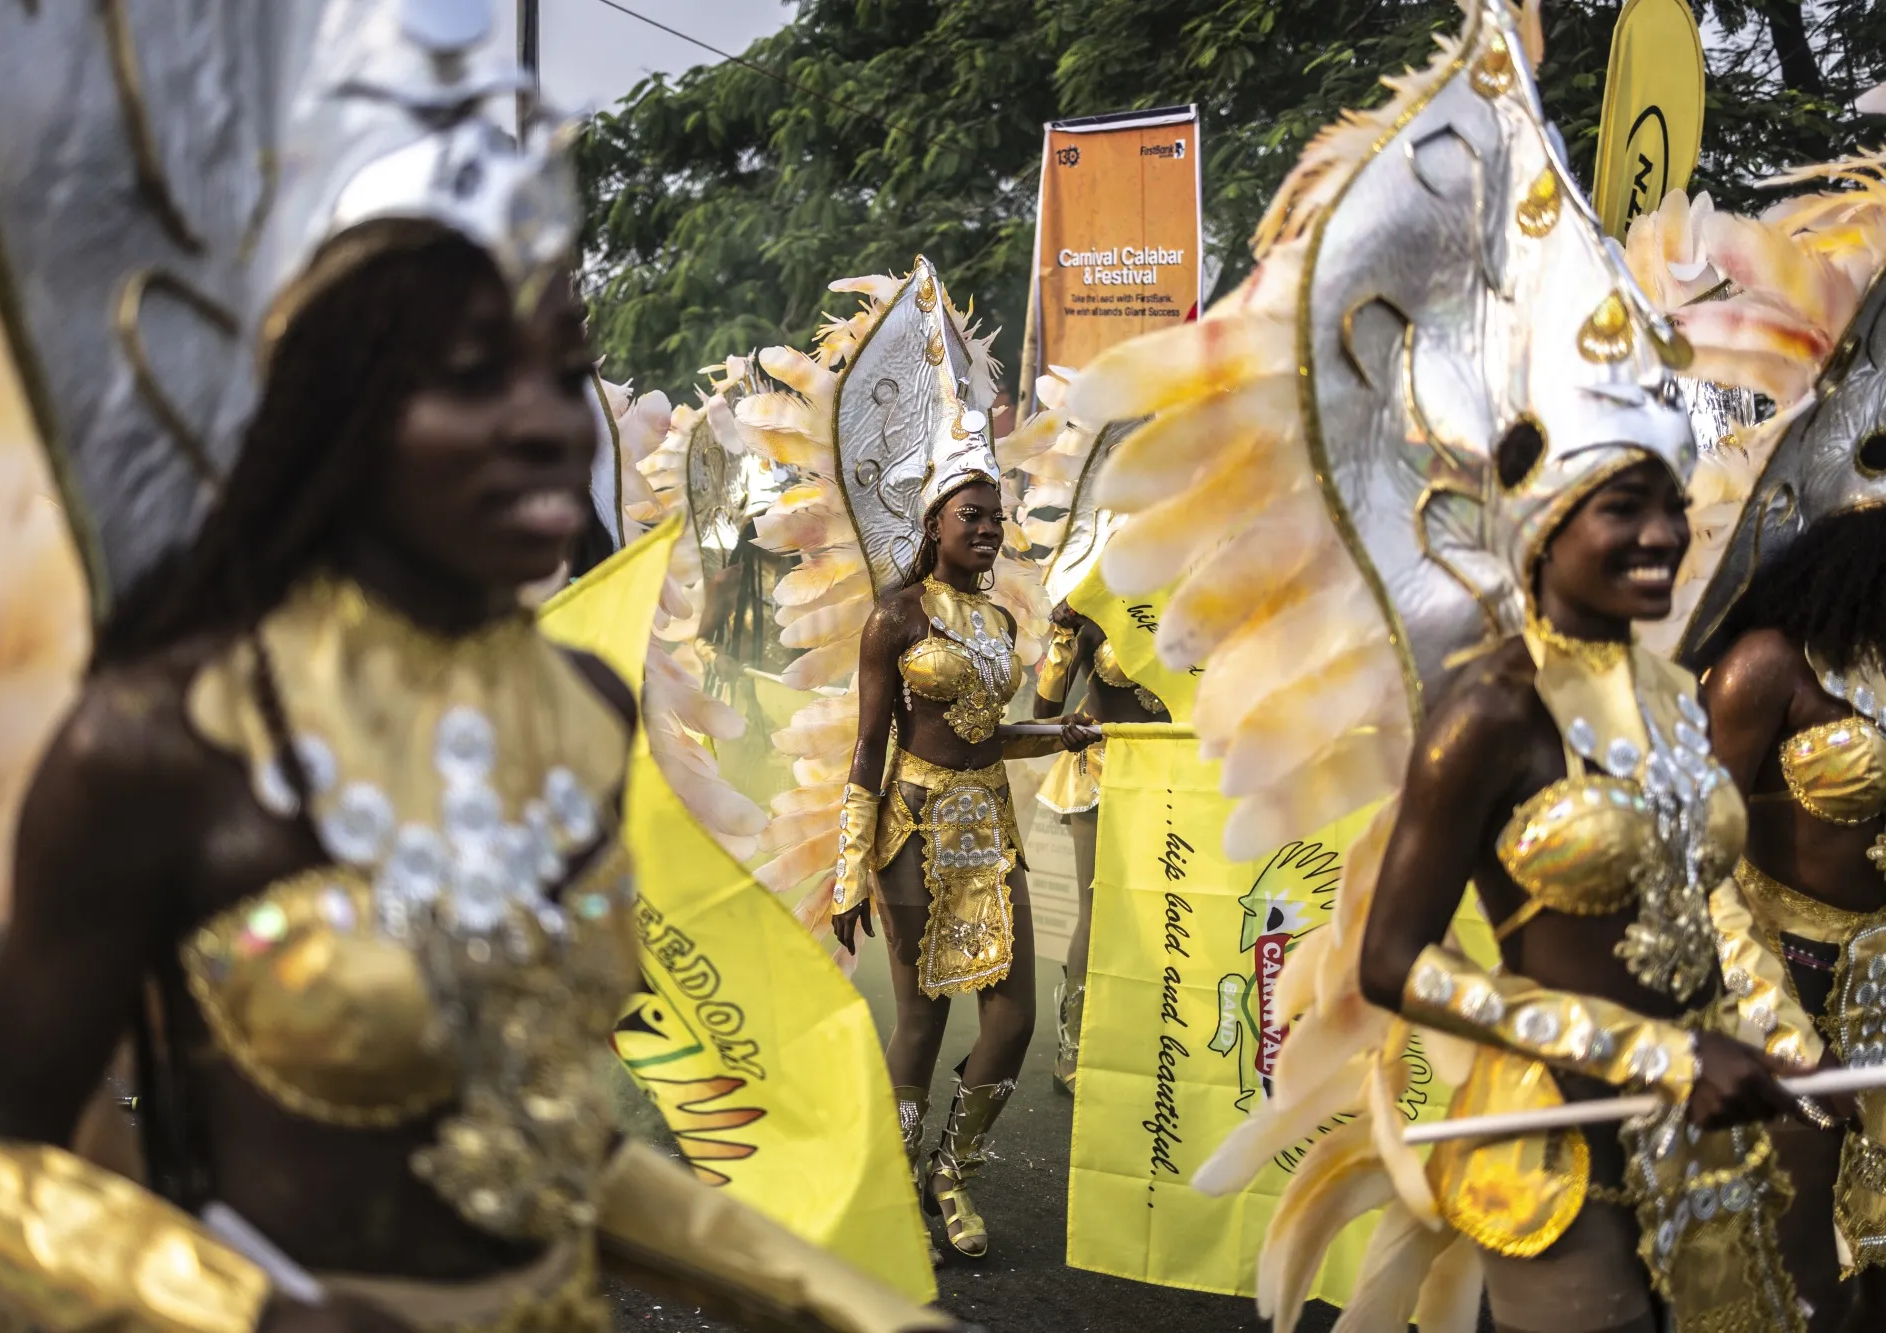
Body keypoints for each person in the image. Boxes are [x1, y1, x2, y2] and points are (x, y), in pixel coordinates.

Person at [0, 6, 955, 1331]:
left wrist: (850, 1305)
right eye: (473, 377)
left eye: (560, 374)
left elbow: (543, 1149)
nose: (541, 425)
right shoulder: (162, 746)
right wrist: (250, 1313)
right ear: (326, 411)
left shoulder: (575, 714)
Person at [1052, 2, 1817, 1329]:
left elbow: (1717, 893)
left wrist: (1785, 1035)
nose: (1657, 535)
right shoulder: (1489, 712)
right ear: (1541, 527)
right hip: (1557, 1155)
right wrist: (1643, 1046)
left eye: (1666, 506)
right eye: (1618, 510)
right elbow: (1399, 962)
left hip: (1709, 1142)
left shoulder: (1670, 691)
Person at [742, 259, 1088, 1260]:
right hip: (910, 827)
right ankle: (904, 1189)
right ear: (931, 522)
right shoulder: (893, 617)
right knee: (922, 1024)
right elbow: (869, 745)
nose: (988, 531)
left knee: (1013, 1016)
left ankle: (952, 1171)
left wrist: (1054, 734)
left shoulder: (994, 616)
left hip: (992, 828)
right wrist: (848, 867)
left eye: (994, 518)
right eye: (969, 517)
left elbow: (989, 732)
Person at [1630, 162, 1886, 1331]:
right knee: (1787, 1269)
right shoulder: (1766, 668)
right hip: (1785, 975)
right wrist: (1765, 1012)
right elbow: (1692, 853)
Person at [1031, 593, 1171, 1093]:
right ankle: (1074, 1046)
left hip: (1173, 778)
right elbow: (1044, 708)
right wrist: (1064, 638)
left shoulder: (1203, 603)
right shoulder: (1094, 610)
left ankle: (1143, 1039)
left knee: (1162, 911)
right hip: (1099, 769)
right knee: (1100, 907)